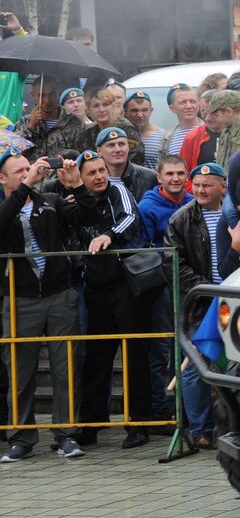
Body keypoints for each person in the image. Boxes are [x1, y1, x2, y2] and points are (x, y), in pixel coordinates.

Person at [0, 152, 84, 461]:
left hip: (59, 293)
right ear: (3, 179)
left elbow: (84, 219)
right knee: (20, 373)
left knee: (66, 369)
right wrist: (26, 185)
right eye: (19, 171)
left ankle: (67, 435)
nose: (29, 173)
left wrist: (77, 187)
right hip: (19, 297)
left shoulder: (49, 200)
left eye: (30, 168)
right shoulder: (6, 206)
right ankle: (20, 438)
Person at [72, 149, 150, 449]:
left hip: (127, 286)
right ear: (80, 177)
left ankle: (138, 425)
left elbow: (130, 218)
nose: (99, 176)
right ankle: (92, 425)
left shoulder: (119, 190)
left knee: (135, 358)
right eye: (91, 172)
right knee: (96, 360)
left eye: (101, 170)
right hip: (94, 287)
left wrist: (109, 236)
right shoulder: (76, 198)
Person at [166, 162, 225, 448]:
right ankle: (201, 429)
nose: (200, 190)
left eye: (207, 184)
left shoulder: (236, 213)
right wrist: (206, 289)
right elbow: (174, 264)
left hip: (236, 299)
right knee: (194, 367)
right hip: (199, 303)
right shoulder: (181, 219)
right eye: (197, 185)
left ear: (223, 187)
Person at [134, 156, 189, 422]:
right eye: (169, 174)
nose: (175, 178)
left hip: (189, 283)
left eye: (180, 173)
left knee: (187, 347)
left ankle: (186, 407)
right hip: (160, 287)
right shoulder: (147, 207)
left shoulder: (193, 201)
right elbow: (142, 246)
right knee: (161, 349)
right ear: (159, 177)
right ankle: (159, 408)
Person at [21, 77, 97, 159]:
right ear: (33, 95)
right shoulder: (23, 123)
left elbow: (87, 157)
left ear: (58, 94)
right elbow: (14, 155)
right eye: (41, 96)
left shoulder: (75, 123)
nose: (47, 101)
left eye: (51, 94)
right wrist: (30, 128)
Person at [177, 89, 238, 173]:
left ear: (226, 111)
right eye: (203, 111)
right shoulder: (192, 137)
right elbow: (183, 173)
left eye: (213, 113)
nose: (207, 118)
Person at [95, 126, 156, 202]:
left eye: (121, 144)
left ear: (128, 147)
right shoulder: (93, 180)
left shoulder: (149, 178)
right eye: (111, 145)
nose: (117, 149)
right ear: (99, 151)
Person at [87, 91, 146, 169]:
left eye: (105, 104)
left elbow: (135, 162)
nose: (101, 110)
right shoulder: (87, 132)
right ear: (88, 109)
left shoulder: (127, 129)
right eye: (96, 106)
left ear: (113, 106)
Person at [123, 91, 165, 164]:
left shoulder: (164, 137)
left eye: (144, 110)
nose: (139, 115)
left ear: (151, 111)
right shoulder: (120, 136)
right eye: (134, 111)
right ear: (125, 112)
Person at [160, 84, 200, 158]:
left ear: (198, 105)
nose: (189, 106)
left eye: (193, 101)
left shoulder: (210, 130)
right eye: (183, 102)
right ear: (172, 108)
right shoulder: (167, 138)